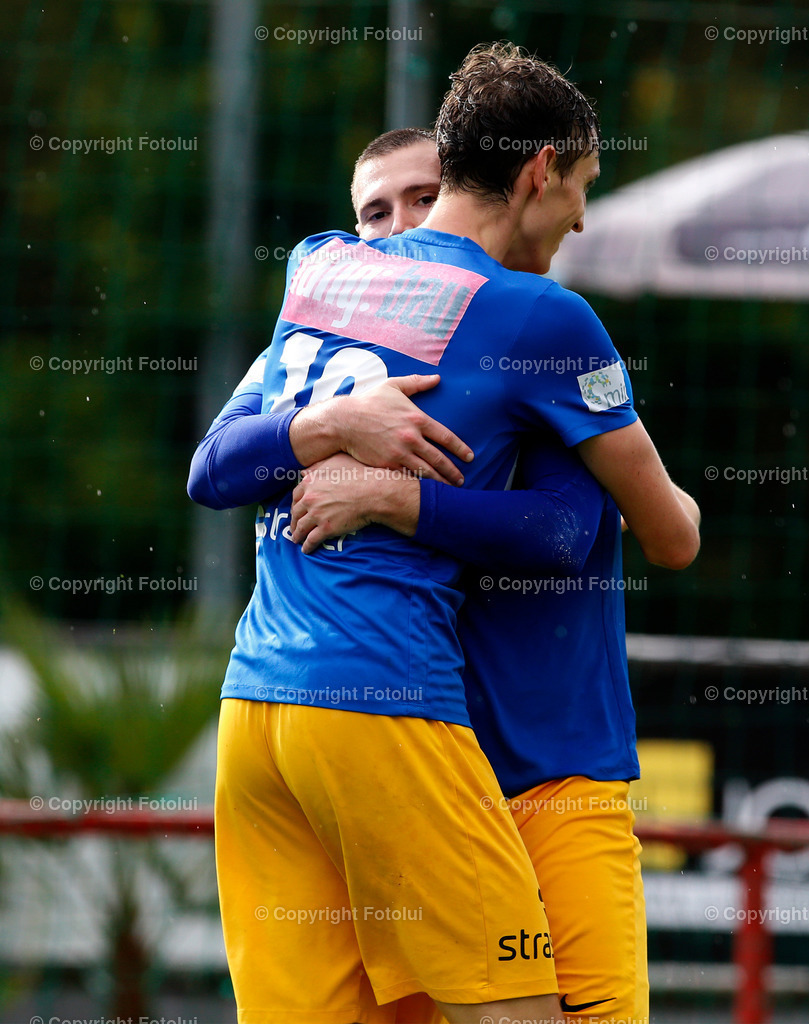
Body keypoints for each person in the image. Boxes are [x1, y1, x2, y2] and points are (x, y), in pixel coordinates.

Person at [190, 43, 699, 1024]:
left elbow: (210, 470)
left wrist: (373, 484)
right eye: (583, 183)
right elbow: (625, 530)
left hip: (266, 706)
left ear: (449, 177)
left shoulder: (321, 273)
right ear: (536, 171)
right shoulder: (534, 315)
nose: (396, 230)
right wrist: (336, 436)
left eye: (413, 198)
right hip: (392, 709)